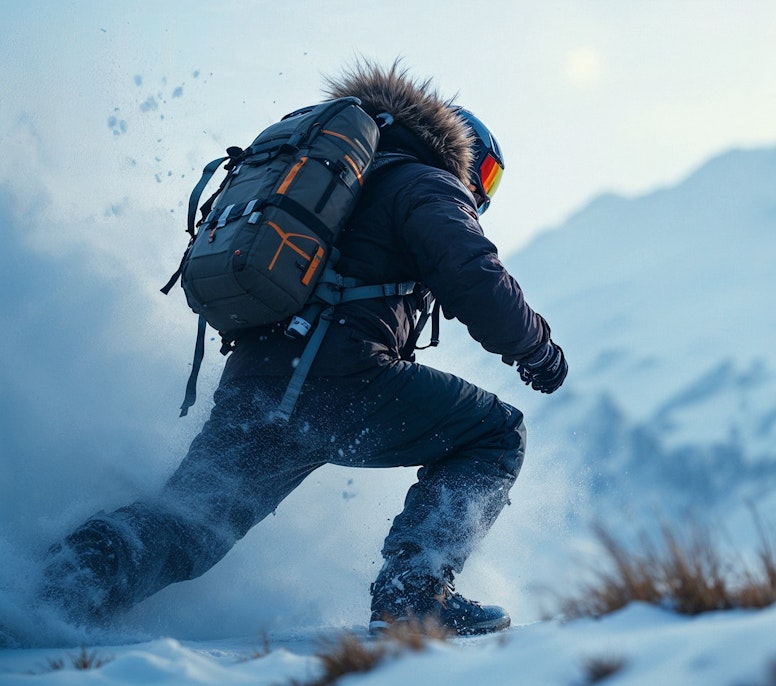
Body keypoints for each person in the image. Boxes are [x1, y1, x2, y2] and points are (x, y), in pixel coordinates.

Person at [38, 59, 567, 637]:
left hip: (257, 382)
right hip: (337, 379)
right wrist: (537, 348)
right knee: (496, 433)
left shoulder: (338, 175)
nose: (482, 189)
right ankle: (414, 596)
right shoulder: (425, 182)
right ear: (462, 151)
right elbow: (472, 274)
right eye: (486, 174)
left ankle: (46, 593)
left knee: (187, 528)